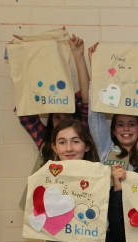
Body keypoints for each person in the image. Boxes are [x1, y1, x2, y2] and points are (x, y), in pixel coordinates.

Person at [38, 116, 105, 242]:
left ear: (87, 145)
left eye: (75, 141)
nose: (69, 148)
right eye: (62, 142)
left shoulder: (103, 178)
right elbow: (33, 218)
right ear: (54, 147)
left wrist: (115, 185)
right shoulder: (42, 178)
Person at [87, 43, 138, 170]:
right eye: (120, 124)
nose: (126, 129)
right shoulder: (105, 149)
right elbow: (94, 115)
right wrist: (96, 69)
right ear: (113, 130)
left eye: (131, 124)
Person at [15, 33, 91, 163]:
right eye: (57, 117)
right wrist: (26, 55)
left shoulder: (82, 130)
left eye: (67, 116)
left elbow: (87, 95)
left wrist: (78, 56)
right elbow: (26, 107)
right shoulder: (44, 139)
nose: (62, 122)